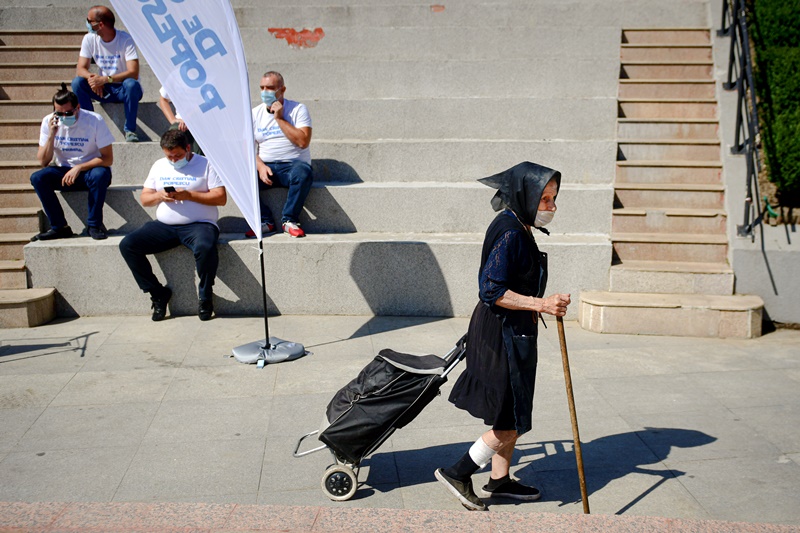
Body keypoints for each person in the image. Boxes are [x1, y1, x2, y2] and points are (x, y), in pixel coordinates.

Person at [435, 162, 571, 511]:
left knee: (513, 413)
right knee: (510, 423)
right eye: (545, 200)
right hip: (502, 336)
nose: (551, 208)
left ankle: (500, 479)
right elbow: (491, 290)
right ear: (526, 196)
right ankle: (458, 473)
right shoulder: (511, 232)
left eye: (554, 199)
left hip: (512, 331)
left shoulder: (518, 224)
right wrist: (542, 303)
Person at [118, 130, 227, 322]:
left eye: (177, 155)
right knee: (128, 244)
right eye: (169, 156)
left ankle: (205, 296)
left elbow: (221, 197)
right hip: (165, 225)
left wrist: (189, 195)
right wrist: (160, 196)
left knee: (205, 247)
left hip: (200, 225)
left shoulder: (206, 164)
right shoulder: (159, 165)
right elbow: (145, 198)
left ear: (187, 148)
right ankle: (157, 293)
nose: (174, 160)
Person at [30, 83, 114, 241]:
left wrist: (80, 167)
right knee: (38, 178)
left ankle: (94, 225)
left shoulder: (94, 120)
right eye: (59, 113)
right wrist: (51, 136)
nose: (64, 117)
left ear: (78, 108)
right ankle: (59, 227)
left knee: (99, 175)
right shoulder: (49, 122)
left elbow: (108, 158)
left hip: (90, 170)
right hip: (64, 173)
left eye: (68, 113)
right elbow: (43, 161)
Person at [247, 70, 313, 238]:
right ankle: (265, 221)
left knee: (303, 173)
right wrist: (260, 166)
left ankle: (289, 220)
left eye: (270, 88)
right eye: (261, 88)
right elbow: (246, 148)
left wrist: (280, 119)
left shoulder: (298, 109)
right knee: (237, 175)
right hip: (266, 166)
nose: (264, 92)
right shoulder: (254, 114)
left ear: (282, 90)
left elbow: (302, 141)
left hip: (292, 165)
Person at [72, 5, 143, 142]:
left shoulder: (125, 39)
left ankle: (130, 130)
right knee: (77, 83)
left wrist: (105, 79)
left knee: (131, 84)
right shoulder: (89, 39)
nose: (87, 23)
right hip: (103, 89)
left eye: (89, 20)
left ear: (100, 24)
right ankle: (90, 127)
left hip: (124, 89)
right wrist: (94, 79)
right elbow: (80, 69)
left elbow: (133, 72)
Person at [157, 86, 203, 155]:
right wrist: (173, 120)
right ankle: (175, 159)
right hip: (182, 123)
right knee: (173, 134)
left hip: (204, 124)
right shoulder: (174, 76)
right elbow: (163, 99)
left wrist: (189, 119)